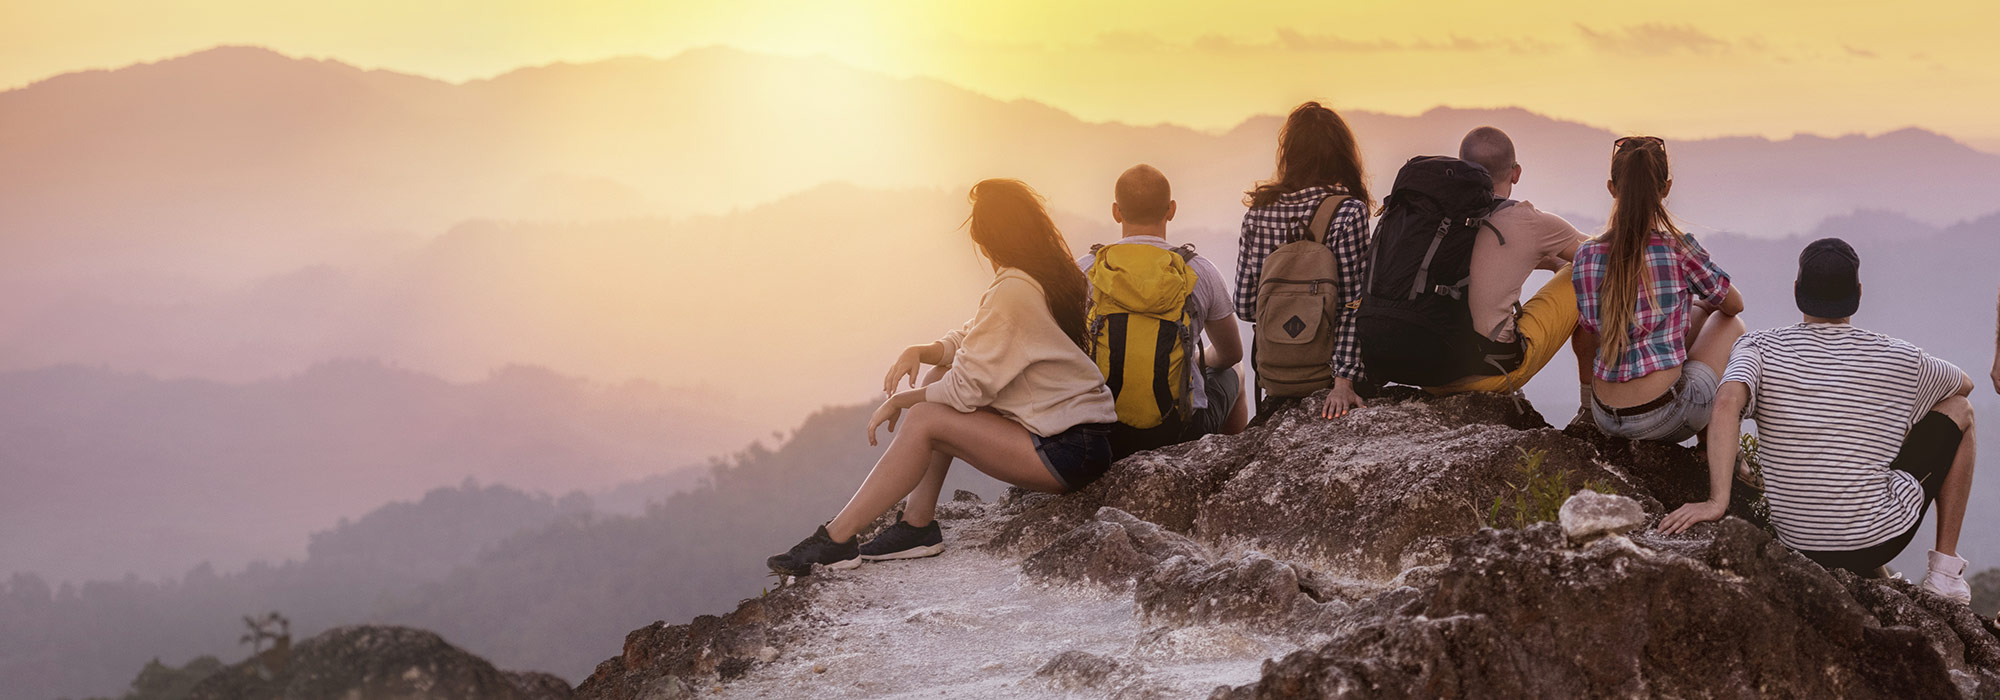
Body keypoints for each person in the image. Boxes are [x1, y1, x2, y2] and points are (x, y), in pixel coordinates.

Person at [765, 179, 1118, 576]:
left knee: (926, 416)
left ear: (986, 238)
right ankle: (917, 526)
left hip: (1068, 450)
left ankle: (837, 539)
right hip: (1078, 439)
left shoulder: (1015, 289)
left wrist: (901, 400)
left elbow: (965, 392)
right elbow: (975, 336)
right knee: (940, 376)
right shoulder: (1040, 276)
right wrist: (923, 351)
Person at [1659, 239, 1977, 603]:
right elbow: (1963, 387)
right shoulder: (1900, 356)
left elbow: (1727, 401)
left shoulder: (1759, 347)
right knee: (1960, 411)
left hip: (1797, 539)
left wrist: (1717, 501)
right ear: (1858, 294)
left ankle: (1881, 579)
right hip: (1877, 542)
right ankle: (1945, 575)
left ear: (1797, 292)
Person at [1573, 136, 1746, 443]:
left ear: (1612, 189)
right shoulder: (1678, 248)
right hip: (1666, 416)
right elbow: (1734, 304)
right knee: (1728, 322)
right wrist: (1705, 304)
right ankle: (1715, 451)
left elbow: (1589, 330)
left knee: (1692, 311)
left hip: (1606, 415)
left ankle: (1586, 409)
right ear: (1666, 188)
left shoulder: (1587, 255)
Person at [1424, 127, 1597, 416]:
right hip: (1490, 376)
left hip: (1427, 374)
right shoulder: (1527, 221)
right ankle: (1591, 409)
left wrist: (1544, 258)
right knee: (1581, 275)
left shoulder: (1432, 217)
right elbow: (1602, 259)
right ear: (1515, 173)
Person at [1077, 165, 1248, 453]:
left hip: (1102, 428)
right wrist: (1191, 357)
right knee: (1238, 371)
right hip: (1179, 430)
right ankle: (1226, 466)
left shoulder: (1087, 270)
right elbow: (1231, 353)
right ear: (1171, 209)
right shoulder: (1199, 270)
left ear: (1116, 212)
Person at [1235, 101, 1374, 419]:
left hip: (1277, 376)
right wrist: (1343, 383)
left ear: (1289, 155)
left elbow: (1244, 306)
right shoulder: (1348, 211)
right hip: (1328, 375)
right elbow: (1354, 305)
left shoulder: (1258, 213)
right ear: (1342, 155)